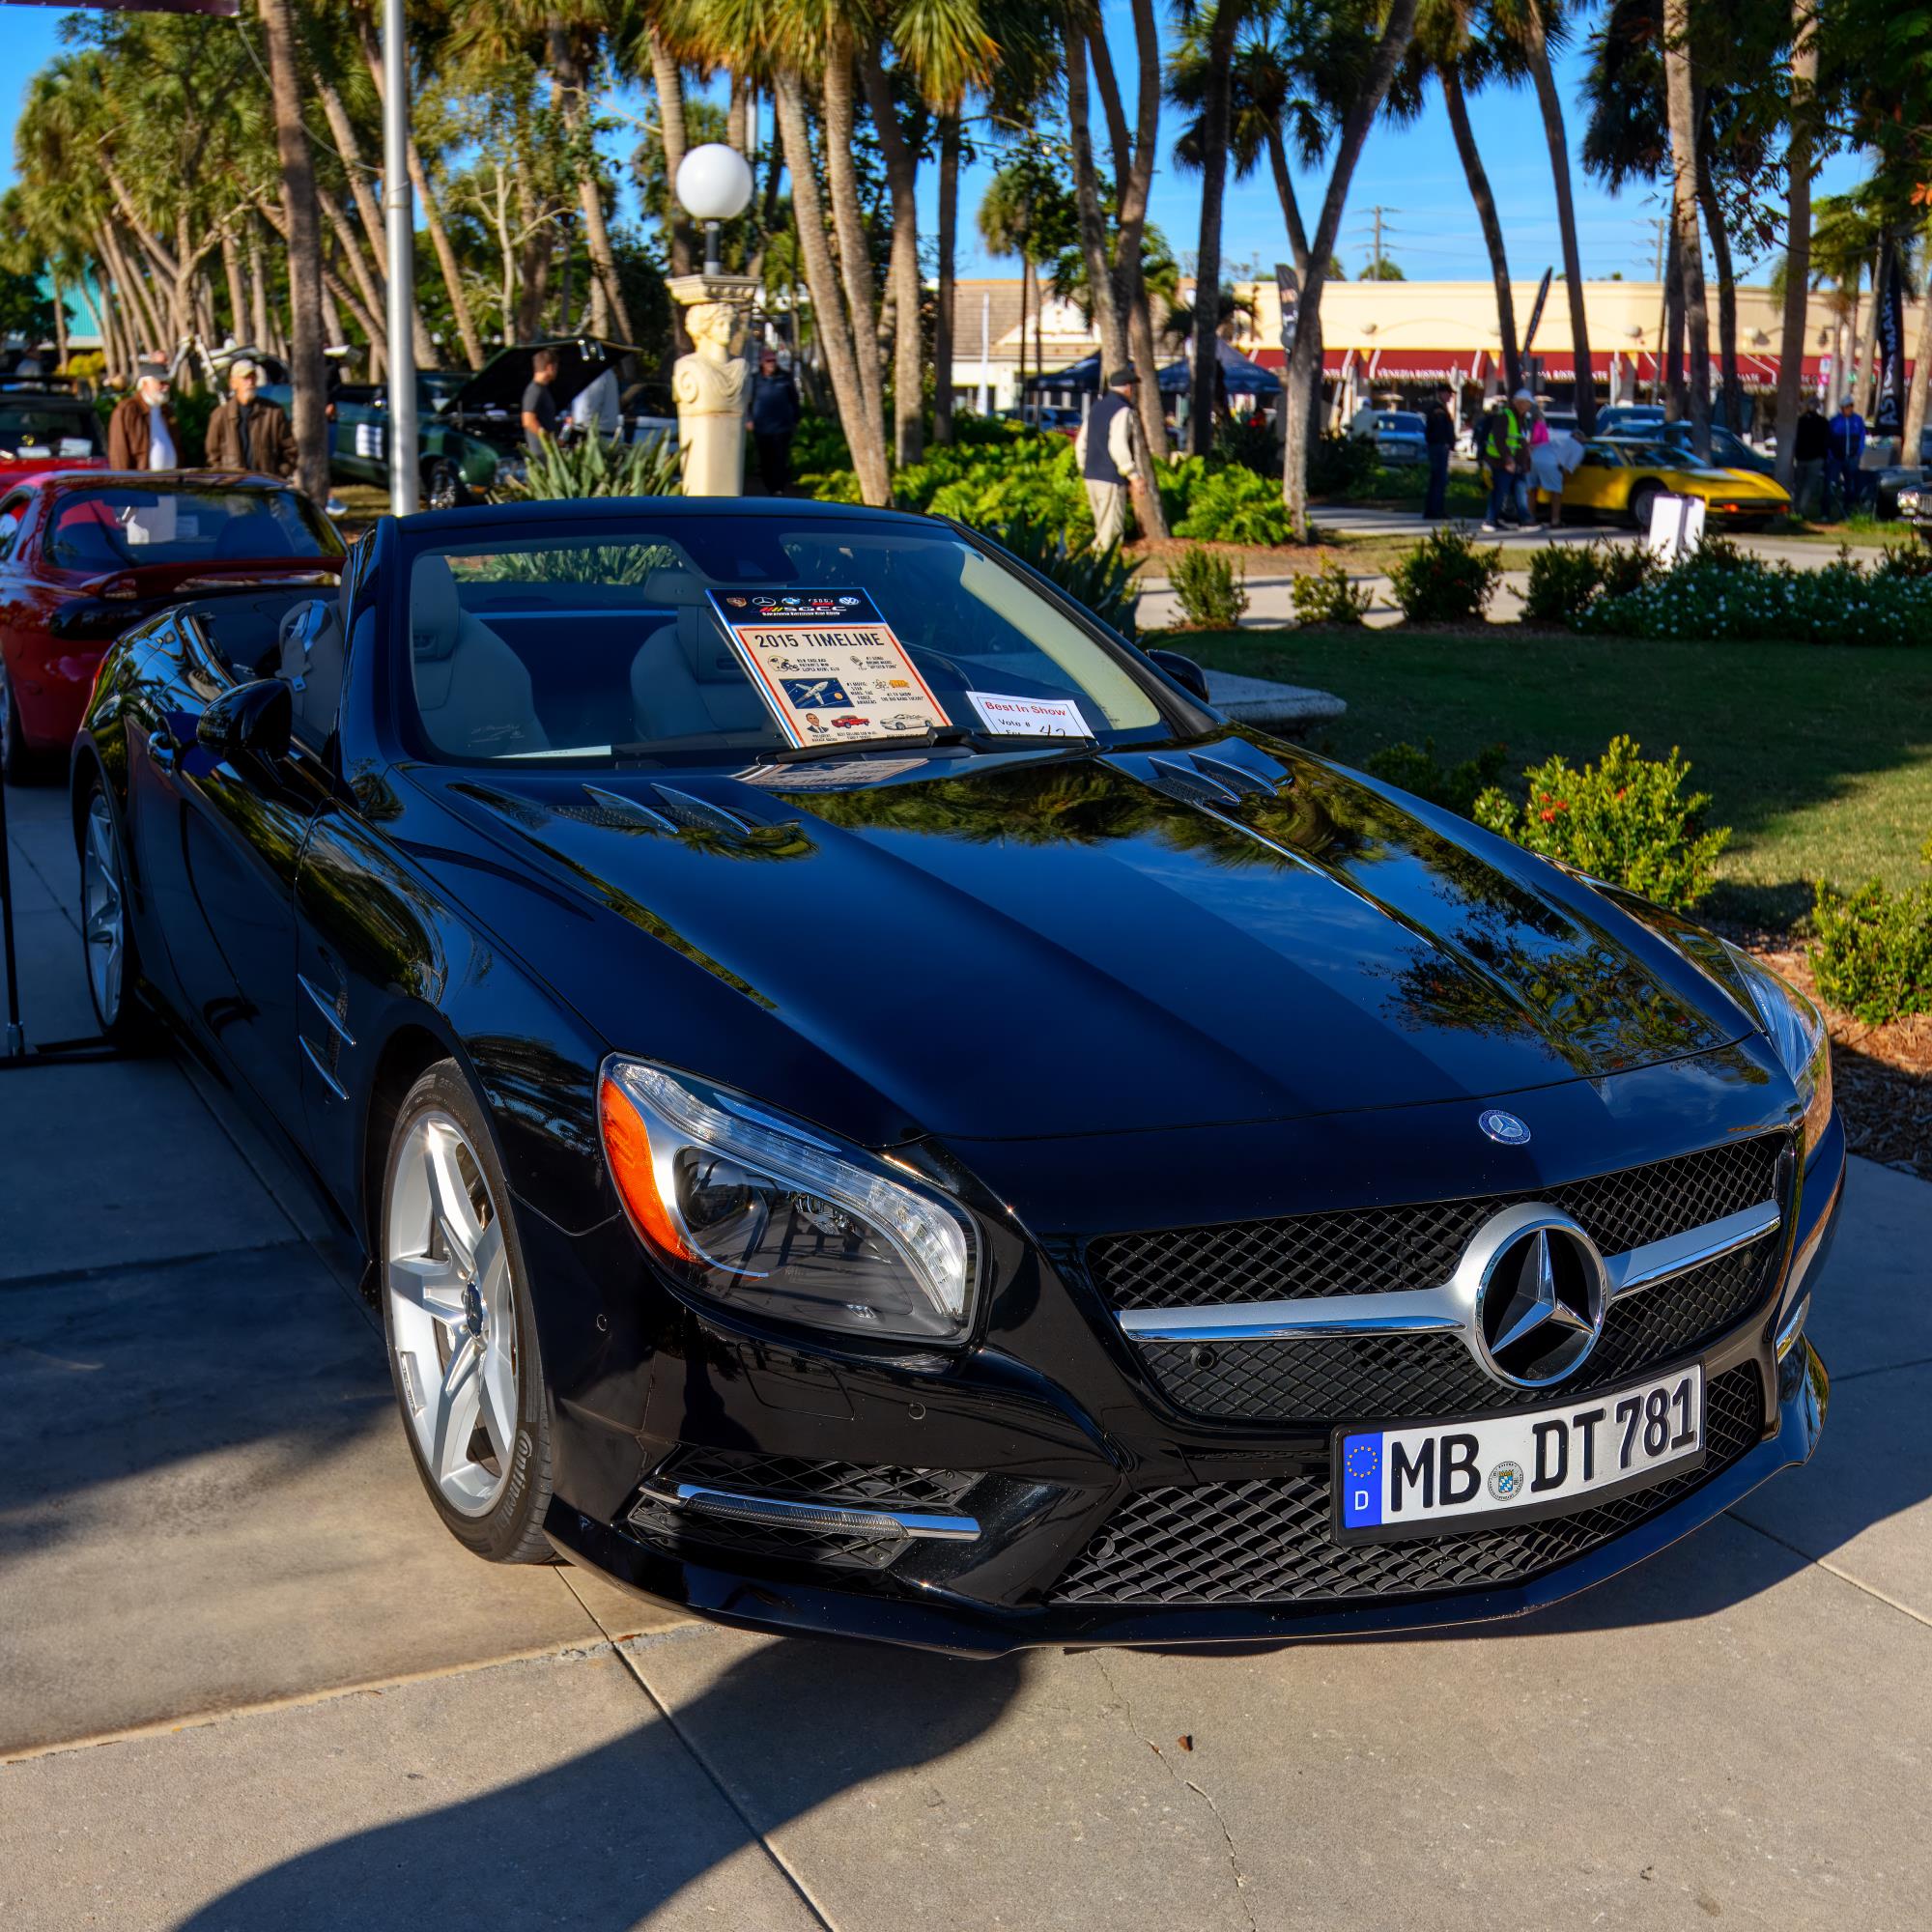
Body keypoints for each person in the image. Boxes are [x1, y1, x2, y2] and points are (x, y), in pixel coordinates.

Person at [1074, 366, 1143, 552]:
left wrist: (1084, 467)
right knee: (1110, 534)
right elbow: (1118, 445)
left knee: (1101, 529)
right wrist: (1133, 475)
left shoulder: (1096, 407)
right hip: (1110, 477)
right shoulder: (1122, 410)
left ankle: (1094, 564)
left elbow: (1081, 443)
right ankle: (1103, 566)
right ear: (1128, 387)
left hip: (1091, 476)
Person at [205, 358, 298, 478]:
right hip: (234, 486)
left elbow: (290, 450)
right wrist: (225, 479)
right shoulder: (220, 416)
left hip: (266, 486)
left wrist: (277, 476)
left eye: (253, 377)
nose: (250, 382)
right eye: (245, 378)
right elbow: (213, 456)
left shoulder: (274, 412)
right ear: (233, 383)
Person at [106, 358, 181, 470]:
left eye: (167, 383)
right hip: (142, 480)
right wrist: (123, 480)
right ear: (144, 384)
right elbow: (119, 455)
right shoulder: (127, 410)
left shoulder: (167, 411)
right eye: (161, 382)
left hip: (170, 479)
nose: (166, 387)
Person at [747, 346, 802, 496]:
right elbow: (748, 401)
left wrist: (796, 419)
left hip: (782, 426)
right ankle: (769, 487)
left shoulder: (785, 377)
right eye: (768, 361)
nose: (771, 364)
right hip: (761, 427)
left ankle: (779, 489)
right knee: (765, 459)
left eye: (773, 361)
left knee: (780, 458)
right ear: (762, 363)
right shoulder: (755, 379)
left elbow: (794, 399)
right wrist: (749, 419)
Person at [1480, 393, 1522, 530]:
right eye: (1525, 404)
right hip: (1499, 460)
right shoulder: (1506, 416)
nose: (1526, 408)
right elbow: (1500, 440)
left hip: (1505, 460)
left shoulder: (1516, 417)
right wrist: (1508, 459)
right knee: (1499, 490)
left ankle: (1494, 518)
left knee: (1502, 491)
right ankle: (1490, 520)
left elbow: (1516, 441)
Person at [1826, 392, 1866, 517]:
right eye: (1845, 407)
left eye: (1850, 407)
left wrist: (1858, 453)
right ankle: (1826, 511)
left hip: (1852, 458)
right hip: (1837, 458)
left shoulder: (1857, 420)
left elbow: (1862, 437)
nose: (1848, 409)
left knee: (1850, 485)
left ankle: (1848, 509)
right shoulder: (1834, 421)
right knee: (1831, 484)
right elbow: (1829, 439)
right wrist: (1831, 455)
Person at [1790, 400, 1829, 520]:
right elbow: (1826, 440)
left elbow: (1795, 439)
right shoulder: (1823, 422)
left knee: (1799, 484)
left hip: (1801, 457)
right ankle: (1802, 509)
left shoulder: (1800, 421)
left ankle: (1795, 508)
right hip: (1815, 458)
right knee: (1808, 485)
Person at [1422, 383, 1455, 521]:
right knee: (1439, 480)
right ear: (1441, 393)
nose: (1450, 396)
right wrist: (1446, 442)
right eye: (1448, 393)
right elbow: (1440, 429)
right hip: (1439, 447)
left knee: (1438, 479)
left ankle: (1434, 509)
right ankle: (1435, 510)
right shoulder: (1438, 409)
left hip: (1438, 446)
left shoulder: (1440, 408)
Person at [521, 349, 560, 447]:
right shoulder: (535, 390)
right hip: (540, 450)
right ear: (549, 367)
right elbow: (528, 420)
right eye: (556, 367)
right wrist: (550, 440)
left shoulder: (542, 389)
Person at [569, 364, 622, 439]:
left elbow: (588, 408)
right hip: (604, 430)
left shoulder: (596, 374)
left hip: (593, 431)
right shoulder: (608, 373)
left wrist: (575, 421)